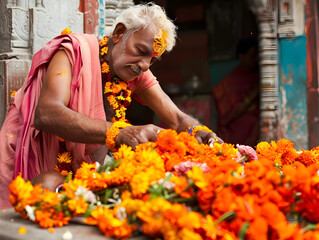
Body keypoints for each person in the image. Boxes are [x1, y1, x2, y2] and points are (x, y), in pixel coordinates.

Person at [0, 3, 222, 209]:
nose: (144, 65)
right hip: (26, 155)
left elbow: (176, 118)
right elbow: (47, 114)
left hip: (74, 174)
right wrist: (120, 132)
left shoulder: (134, 71)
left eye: (152, 60)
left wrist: (199, 132)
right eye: (141, 51)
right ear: (118, 34)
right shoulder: (73, 50)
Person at [212, 38, 259, 147]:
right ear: (241, 56)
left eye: (257, 55)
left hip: (256, 132)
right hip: (236, 134)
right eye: (252, 55)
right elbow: (228, 116)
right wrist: (251, 97)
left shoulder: (259, 76)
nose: (256, 59)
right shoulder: (229, 82)